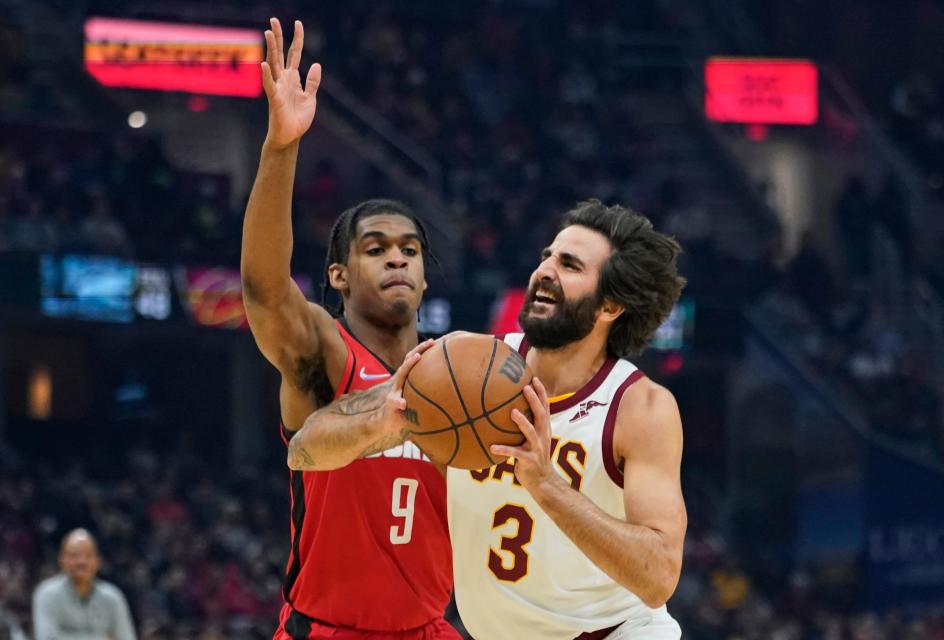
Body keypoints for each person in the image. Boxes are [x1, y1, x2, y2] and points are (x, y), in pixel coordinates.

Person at [294, 200, 688, 639]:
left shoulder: (639, 407)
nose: (545, 271)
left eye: (570, 265)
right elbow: (304, 450)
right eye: (547, 257)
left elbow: (659, 578)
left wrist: (546, 485)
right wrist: (381, 423)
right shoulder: (466, 364)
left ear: (610, 307)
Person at [241, 18, 457, 640]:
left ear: (424, 276)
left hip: (428, 629)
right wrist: (281, 146)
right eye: (376, 247)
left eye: (411, 249)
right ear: (338, 274)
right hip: (330, 629)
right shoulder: (325, 351)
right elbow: (262, 288)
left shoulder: (459, 374)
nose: (397, 258)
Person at [31, 528, 136, 640]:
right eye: (74, 556)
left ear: (98, 561)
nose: (81, 561)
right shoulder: (47, 594)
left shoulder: (113, 598)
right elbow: (47, 638)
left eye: (88, 555)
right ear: (62, 560)